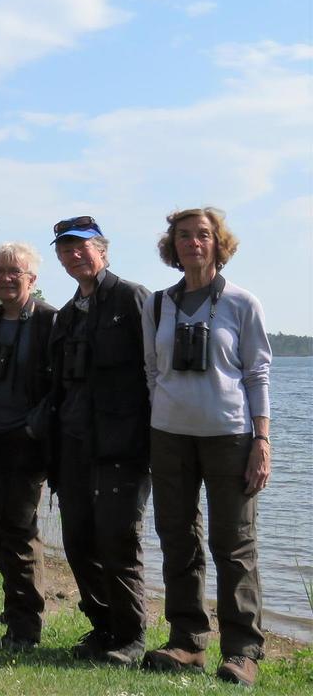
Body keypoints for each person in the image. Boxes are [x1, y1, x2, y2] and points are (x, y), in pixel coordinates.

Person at [141, 208, 271, 687]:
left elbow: (257, 374)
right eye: (183, 236)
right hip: (169, 437)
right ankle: (187, 641)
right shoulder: (156, 305)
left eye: (203, 235)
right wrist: (167, 413)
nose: (193, 243)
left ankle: (242, 651)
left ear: (219, 243)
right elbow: (152, 372)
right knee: (177, 539)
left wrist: (262, 439)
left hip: (231, 436)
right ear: (171, 246)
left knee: (234, 545)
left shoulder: (241, 303)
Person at [46, 216, 151, 665]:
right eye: (65, 249)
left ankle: (131, 637)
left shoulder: (132, 299)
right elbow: (57, 389)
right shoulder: (67, 315)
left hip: (123, 445)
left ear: (102, 251)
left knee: (118, 540)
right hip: (74, 444)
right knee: (79, 541)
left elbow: (155, 372)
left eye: (81, 247)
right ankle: (102, 627)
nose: (73, 255)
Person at [0, 242, 56, 650]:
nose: (5, 279)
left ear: (32, 279)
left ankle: (26, 626)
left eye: (14, 273)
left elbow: (61, 385)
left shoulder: (51, 321)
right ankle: (13, 604)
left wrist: (41, 428)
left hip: (25, 440)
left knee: (19, 530)